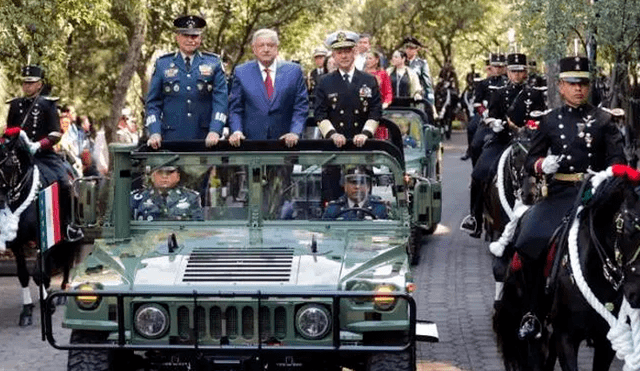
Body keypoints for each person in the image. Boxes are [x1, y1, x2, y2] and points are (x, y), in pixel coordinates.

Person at [513, 56, 625, 340]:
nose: (579, 89)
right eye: (572, 83)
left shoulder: (604, 120)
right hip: (560, 195)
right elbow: (531, 162)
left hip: (595, 197)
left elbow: (618, 161)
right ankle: (533, 312)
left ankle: (626, 310)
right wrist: (542, 165)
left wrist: (606, 176)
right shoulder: (550, 121)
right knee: (528, 239)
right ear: (561, 86)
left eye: (583, 84)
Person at [5, 65, 83, 241]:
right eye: (25, 83)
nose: (27, 86)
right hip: (19, 157)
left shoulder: (48, 105)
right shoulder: (15, 104)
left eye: (31, 83)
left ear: (39, 84)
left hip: (44, 156)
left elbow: (56, 133)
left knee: (65, 183)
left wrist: (38, 145)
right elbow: (9, 130)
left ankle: (70, 225)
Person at [461, 53, 531, 238]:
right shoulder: (499, 93)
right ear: (508, 72)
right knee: (479, 173)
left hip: (527, 143)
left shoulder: (534, 94)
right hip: (503, 140)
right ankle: (475, 218)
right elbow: (492, 114)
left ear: (525, 73)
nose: (516, 75)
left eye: (520, 71)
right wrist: (495, 123)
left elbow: (538, 118)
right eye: (513, 71)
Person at [314, 30, 382, 203]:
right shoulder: (324, 81)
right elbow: (320, 113)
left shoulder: (368, 80)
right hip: (334, 151)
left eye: (347, 51)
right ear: (334, 56)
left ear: (355, 52)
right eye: (339, 52)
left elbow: (375, 111)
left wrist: (365, 134)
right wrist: (332, 134)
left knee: (362, 201)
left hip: (361, 148)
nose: (344, 56)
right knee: (333, 201)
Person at [145, 15, 228, 149]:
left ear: (200, 38)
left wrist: (215, 130)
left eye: (194, 36)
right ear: (177, 37)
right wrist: (154, 132)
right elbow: (153, 103)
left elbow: (221, 102)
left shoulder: (213, 63)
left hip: (205, 138)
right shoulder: (162, 64)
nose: (190, 40)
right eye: (185, 35)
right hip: (170, 138)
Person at [228, 28, 309, 147]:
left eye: (270, 45)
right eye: (261, 45)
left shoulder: (294, 71)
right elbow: (235, 108)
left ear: (277, 48)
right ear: (254, 49)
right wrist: (237, 131)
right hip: (250, 143)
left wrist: (295, 132)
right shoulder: (241, 72)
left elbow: (301, 107)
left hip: (286, 143)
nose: (266, 49)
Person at [131, 165, 204, 221]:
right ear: (152, 176)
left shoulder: (191, 197)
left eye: (169, 172)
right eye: (160, 172)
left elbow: (198, 227)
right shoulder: (137, 198)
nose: (164, 176)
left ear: (178, 176)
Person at [323, 166, 387, 220]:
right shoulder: (333, 209)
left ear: (368, 187)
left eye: (362, 183)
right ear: (345, 186)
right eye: (353, 183)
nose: (357, 187)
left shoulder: (378, 208)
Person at [404, 36, 434, 105]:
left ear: (416, 50)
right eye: (407, 48)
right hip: (401, 97)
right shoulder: (400, 63)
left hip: (416, 98)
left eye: (411, 48)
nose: (408, 50)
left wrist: (430, 102)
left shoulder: (421, 64)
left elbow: (427, 84)